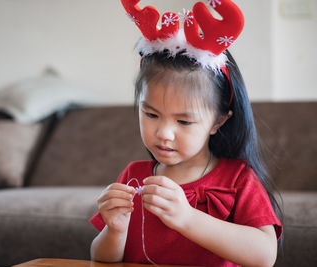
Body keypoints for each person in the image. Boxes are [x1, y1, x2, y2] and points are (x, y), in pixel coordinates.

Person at [90, 1, 283, 266]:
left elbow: (264, 256)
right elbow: (100, 259)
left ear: (218, 122)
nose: (164, 133)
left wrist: (187, 218)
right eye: (151, 115)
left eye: (184, 121)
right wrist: (115, 229)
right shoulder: (134, 176)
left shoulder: (237, 178)